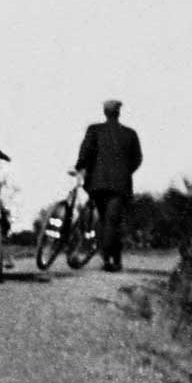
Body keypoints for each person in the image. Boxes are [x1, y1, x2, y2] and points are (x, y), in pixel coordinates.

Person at [74, 99, 143, 273]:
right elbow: (137, 159)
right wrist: (125, 172)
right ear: (118, 113)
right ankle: (113, 259)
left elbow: (85, 153)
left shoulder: (94, 130)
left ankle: (108, 258)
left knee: (104, 220)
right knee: (114, 222)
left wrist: (81, 168)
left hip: (97, 185)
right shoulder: (130, 134)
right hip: (120, 185)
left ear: (105, 112)